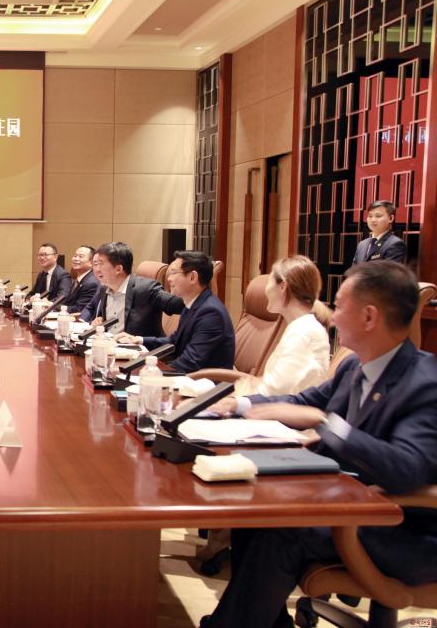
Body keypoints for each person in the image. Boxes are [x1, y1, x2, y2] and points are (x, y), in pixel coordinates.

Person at [202, 261, 437, 628]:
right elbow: (305, 402)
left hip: (405, 532)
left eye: (339, 306)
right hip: (350, 505)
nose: (330, 315)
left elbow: (408, 469)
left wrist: (327, 424)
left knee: (286, 529)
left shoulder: (425, 382)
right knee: (255, 510)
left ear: (369, 317)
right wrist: (241, 405)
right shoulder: (355, 367)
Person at [118, 250, 234, 373]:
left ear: (192, 277)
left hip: (205, 381)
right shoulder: (192, 304)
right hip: (189, 376)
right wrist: (139, 340)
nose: (169, 279)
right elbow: (174, 342)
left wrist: (152, 373)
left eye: (173, 273)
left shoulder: (211, 313)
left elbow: (191, 362)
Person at [233, 255, 330, 397]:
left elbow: (273, 394)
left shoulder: (303, 333)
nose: (266, 290)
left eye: (269, 282)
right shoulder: (301, 327)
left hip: (278, 410)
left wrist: (237, 396)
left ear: (283, 286)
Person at [78, 241, 183, 337]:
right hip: (110, 346)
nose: (96, 270)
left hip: (140, 349)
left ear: (118, 269)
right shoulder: (104, 289)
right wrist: (99, 321)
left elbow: (182, 305)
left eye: (100, 264)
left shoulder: (146, 289)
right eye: (95, 264)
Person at [352, 200, 406, 265]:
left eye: (378, 216)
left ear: (391, 218)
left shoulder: (395, 243)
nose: (373, 220)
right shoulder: (362, 244)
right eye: (370, 216)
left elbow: (389, 270)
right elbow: (354, 269)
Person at [63, 245, 101, 314]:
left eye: (80, 256)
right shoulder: (79, 278)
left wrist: (56, 307)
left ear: (91, 262)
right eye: (75, 256)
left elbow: (79, 309)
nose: (76, 259)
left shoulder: (91, 283)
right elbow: (69, 301)